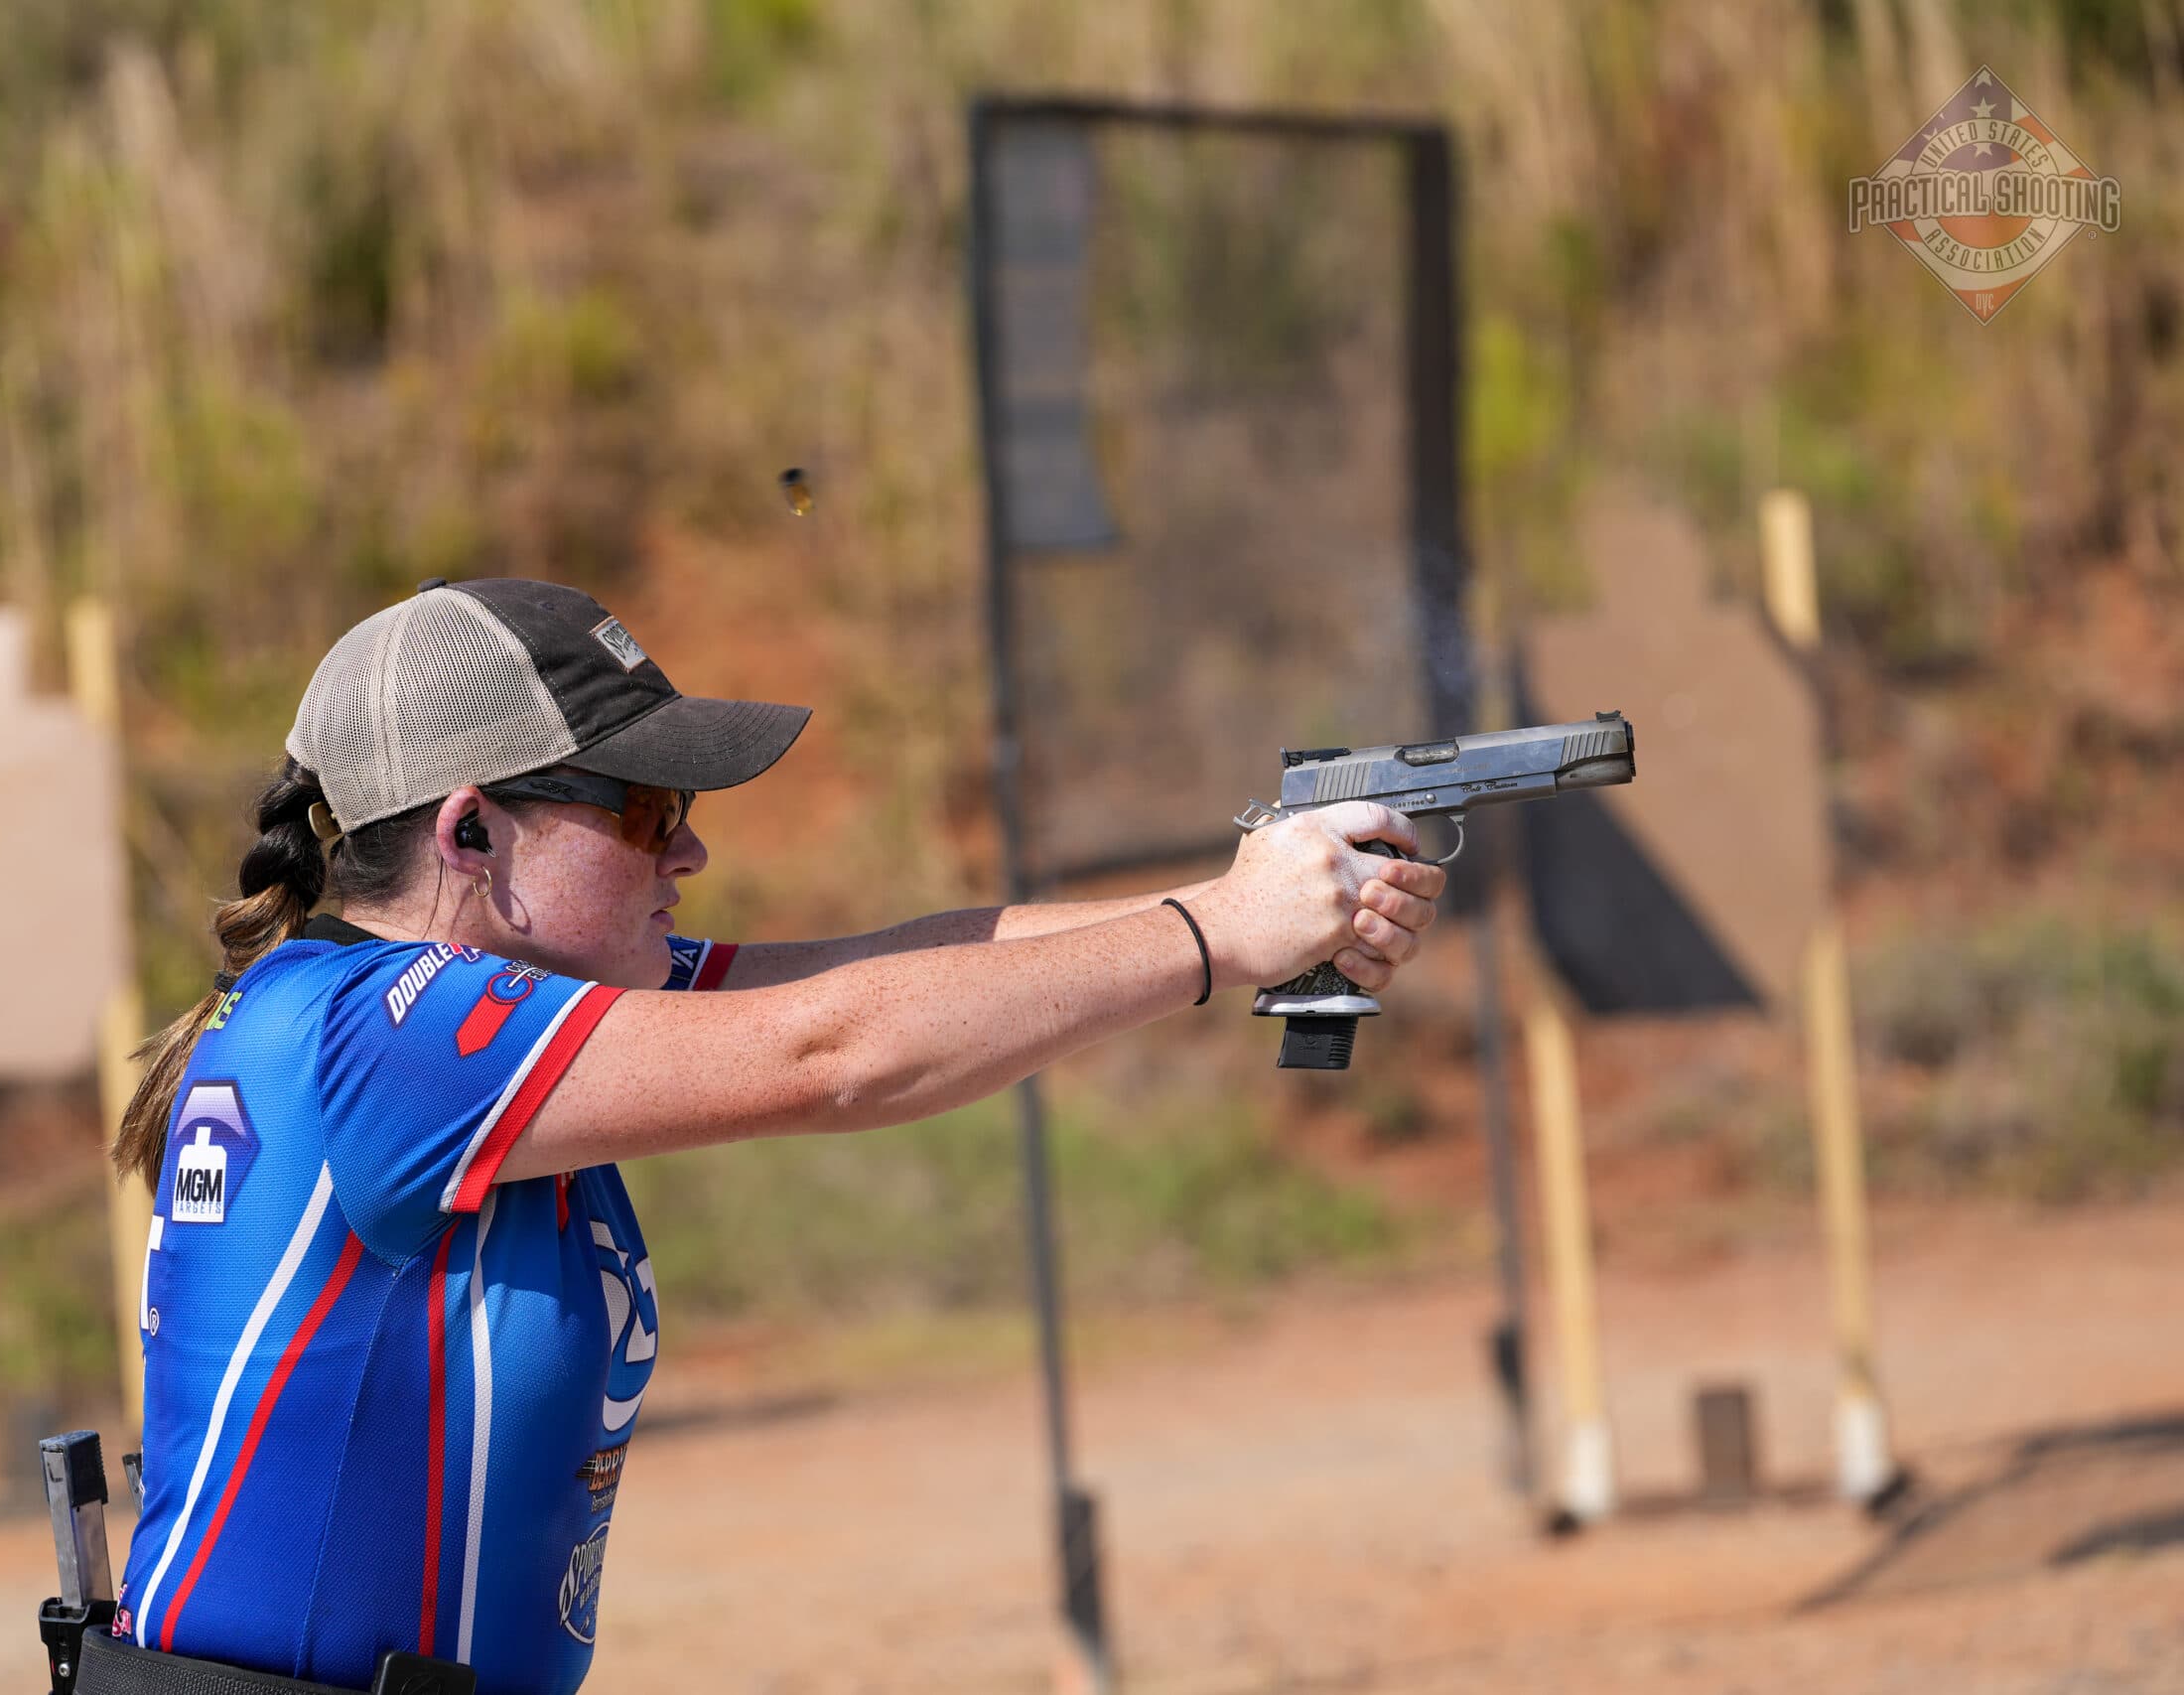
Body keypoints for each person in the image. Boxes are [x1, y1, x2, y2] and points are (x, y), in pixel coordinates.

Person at [102, 578, 1445, 1693]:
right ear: (472, 832)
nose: (685, 854)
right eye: (642, 810)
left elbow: (889, 970)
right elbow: (836, 1053)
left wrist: (1247, 897)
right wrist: (1217, 939)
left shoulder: (461, 1014)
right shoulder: (385, 1035)